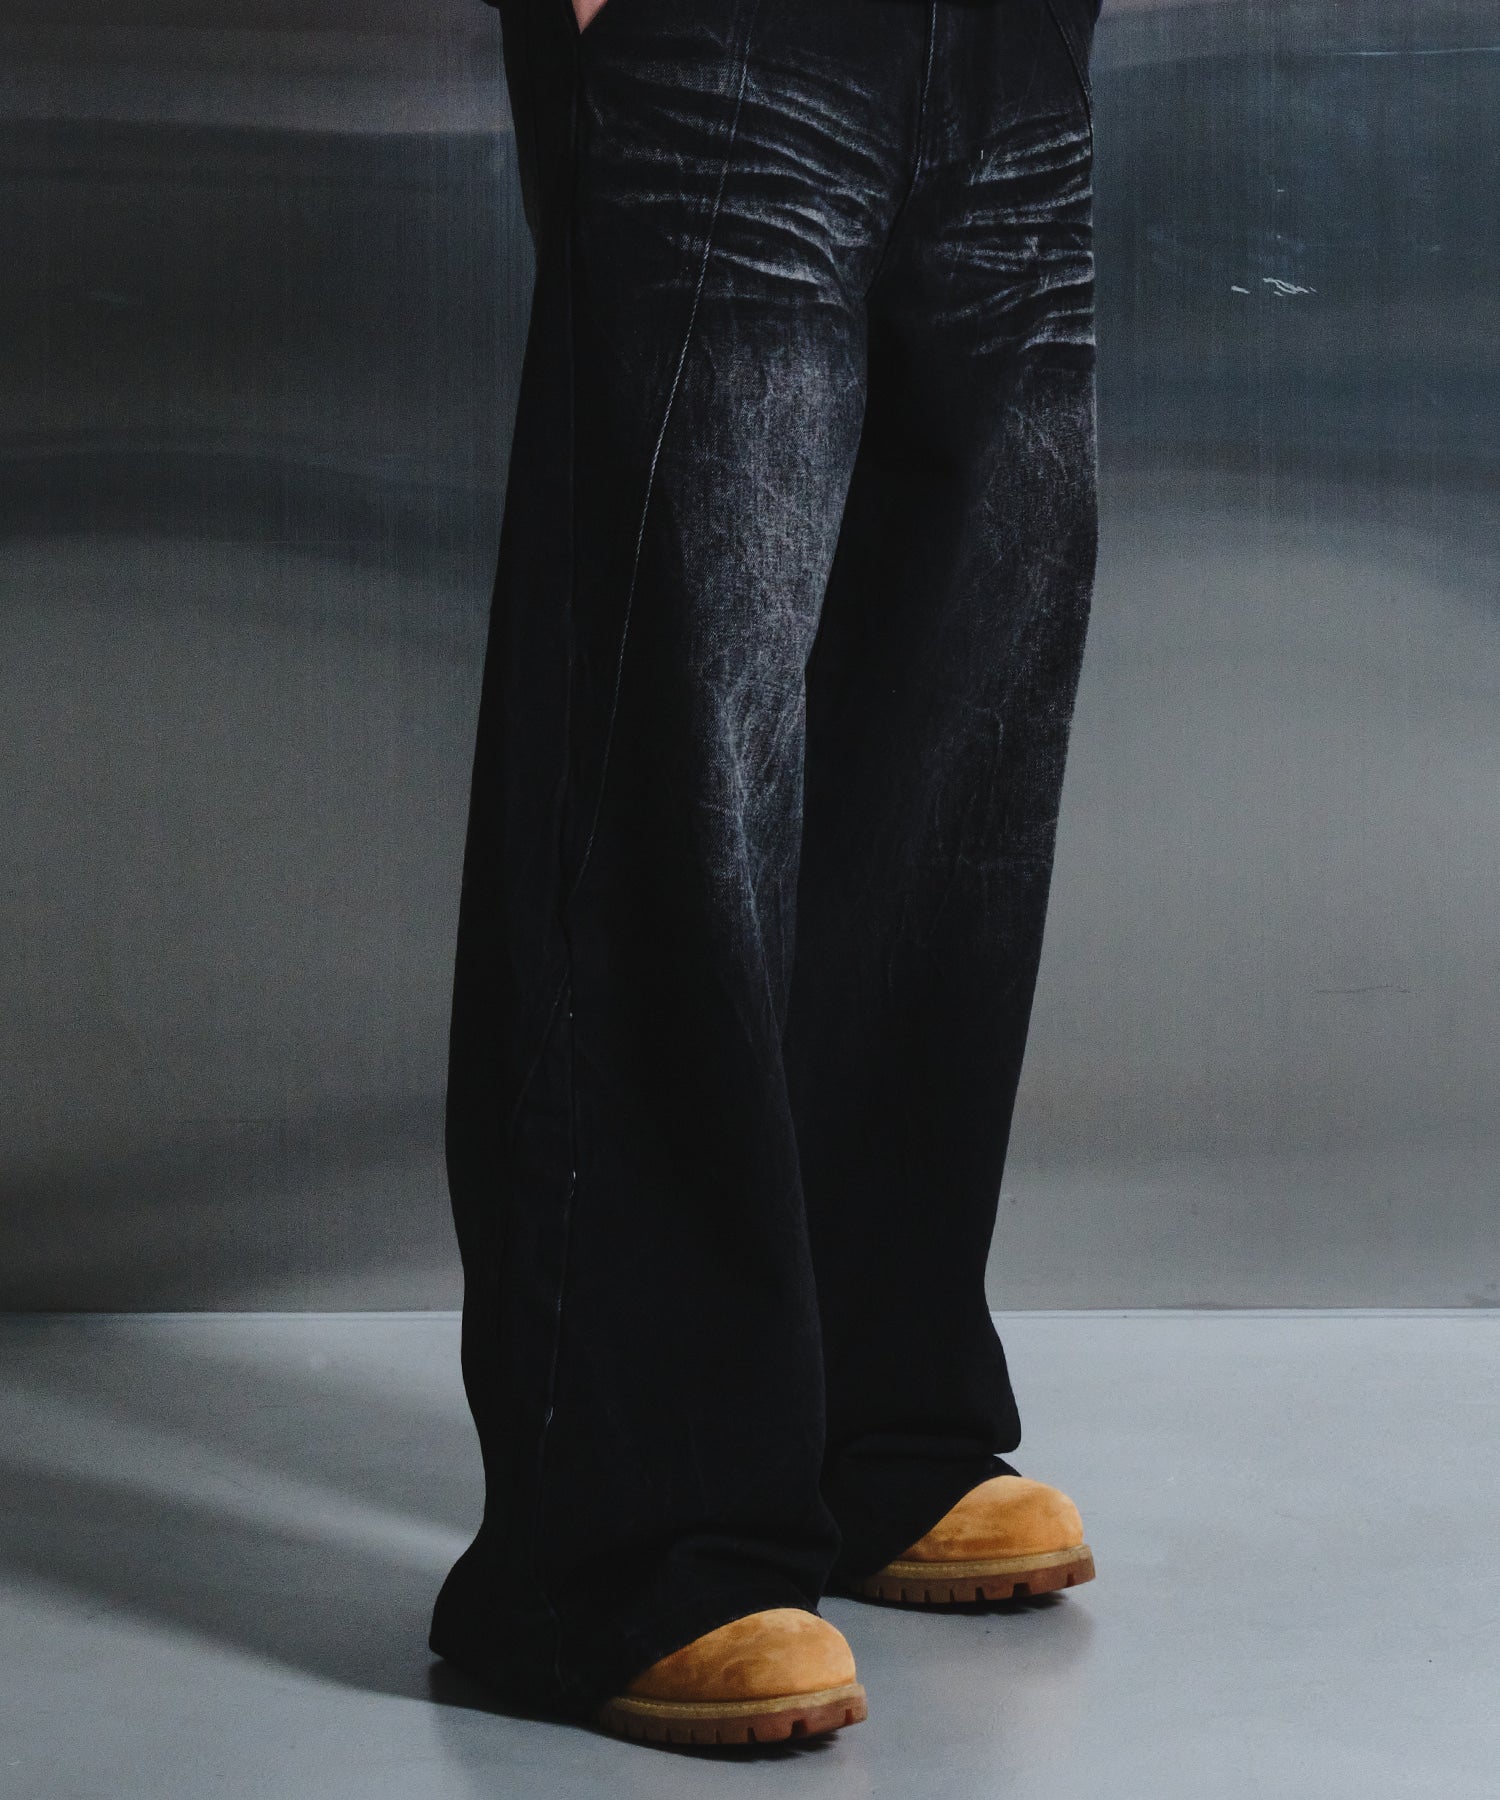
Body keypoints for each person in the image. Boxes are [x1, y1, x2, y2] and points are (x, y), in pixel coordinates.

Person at [430, 0, 1102, 1748]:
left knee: (948, 751)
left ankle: (872, 1431)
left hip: (1007, 46)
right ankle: (631, 1542)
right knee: (674, 737)